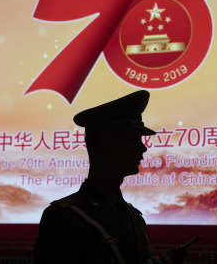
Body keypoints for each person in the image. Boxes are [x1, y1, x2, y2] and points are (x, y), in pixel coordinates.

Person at [33, 90, 185, 264]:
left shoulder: (134, 218)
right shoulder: (64, 218)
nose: (143, 148)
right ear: (107, 142)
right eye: (134, 139)